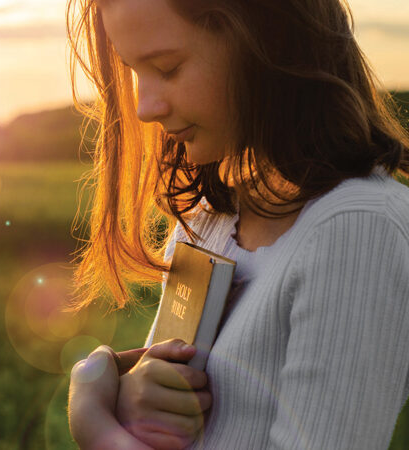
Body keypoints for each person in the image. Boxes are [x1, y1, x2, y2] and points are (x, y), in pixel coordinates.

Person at [64, 0, 409, 448]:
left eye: (166, 68)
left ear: (266, 40)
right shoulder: (210, 219)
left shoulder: (358, 230)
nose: (144, 107)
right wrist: (136, 401)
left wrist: (94, 421)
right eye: (132, 70)